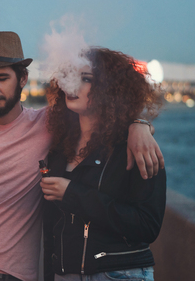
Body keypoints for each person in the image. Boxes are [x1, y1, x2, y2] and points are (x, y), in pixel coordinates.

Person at [0, 32, 164, 281]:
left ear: (23, 78)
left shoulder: (46, 124)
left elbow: (105, 112)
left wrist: (139, 125)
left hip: (17, 276)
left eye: (1, 78)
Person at [41, 47, 166, 281]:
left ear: (110, 89)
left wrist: (72, 194)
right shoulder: (59, 146)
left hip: (118, 274)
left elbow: (148, 225)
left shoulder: (133, 146)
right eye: (70, 76)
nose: (73, 85)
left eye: (86, 79)